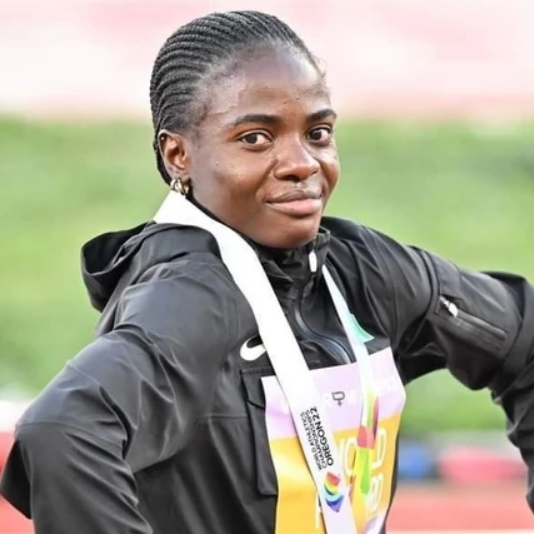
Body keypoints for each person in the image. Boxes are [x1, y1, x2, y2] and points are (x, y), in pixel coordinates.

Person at [1, 9, 533, 534]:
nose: (302, 163)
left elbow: (523, 336)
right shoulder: (190, 298)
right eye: (255, 138)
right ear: (178, 154)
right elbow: (62, 432)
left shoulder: (362, 273)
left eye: (318, 132)